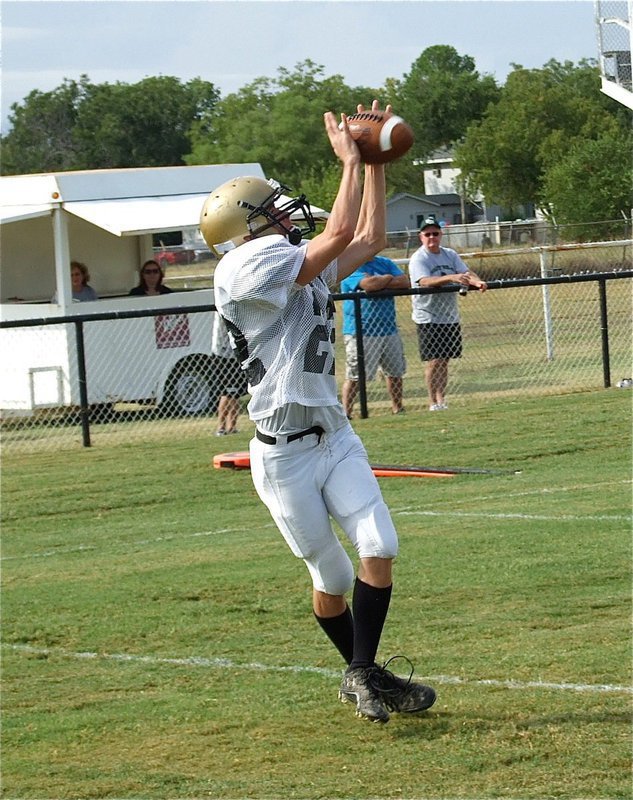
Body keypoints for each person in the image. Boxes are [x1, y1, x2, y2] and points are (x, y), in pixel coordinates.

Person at [200, 100, 436, 724]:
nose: (284, 212)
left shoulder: (283, 260)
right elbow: (334, 236)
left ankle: (361, 673)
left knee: (380, 543)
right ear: (242, 230)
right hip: (281, 454)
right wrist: (349, 161)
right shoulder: (241, 268)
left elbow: (367, 238)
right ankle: (365, 672)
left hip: (334, 435)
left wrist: (376, 165)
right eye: (270, 209)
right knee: (331, 581)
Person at [409, 215, 487, 411]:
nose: (432, 237)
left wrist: (477, 282)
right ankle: (431, 402)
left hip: (449, 316)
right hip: (427, 315)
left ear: (441, 234)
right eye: (427, 234)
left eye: (435, 233)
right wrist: (451, 277)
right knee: (433, 360)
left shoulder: (450, 254)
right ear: (421, 236)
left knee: (444, 360)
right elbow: (424, 281)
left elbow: (466, 272)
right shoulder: (419, 258)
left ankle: (442, 399)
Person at [340, 255, 408, 418]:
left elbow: (405, 282)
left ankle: (398, 408)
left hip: (388, 329)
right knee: (356, 376)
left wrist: (381, 281)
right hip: (360, 330)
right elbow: (369, 285)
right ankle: (345, 414)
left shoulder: (385, 262)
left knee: (395, 372)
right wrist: (389, 278)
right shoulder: (349, 263)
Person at [211, 311, 247, 435]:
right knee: (227, 393)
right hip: (223, 354)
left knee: (235, 394)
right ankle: (221, 427)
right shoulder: (224, 307)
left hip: (236, 354)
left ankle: (232, 426)